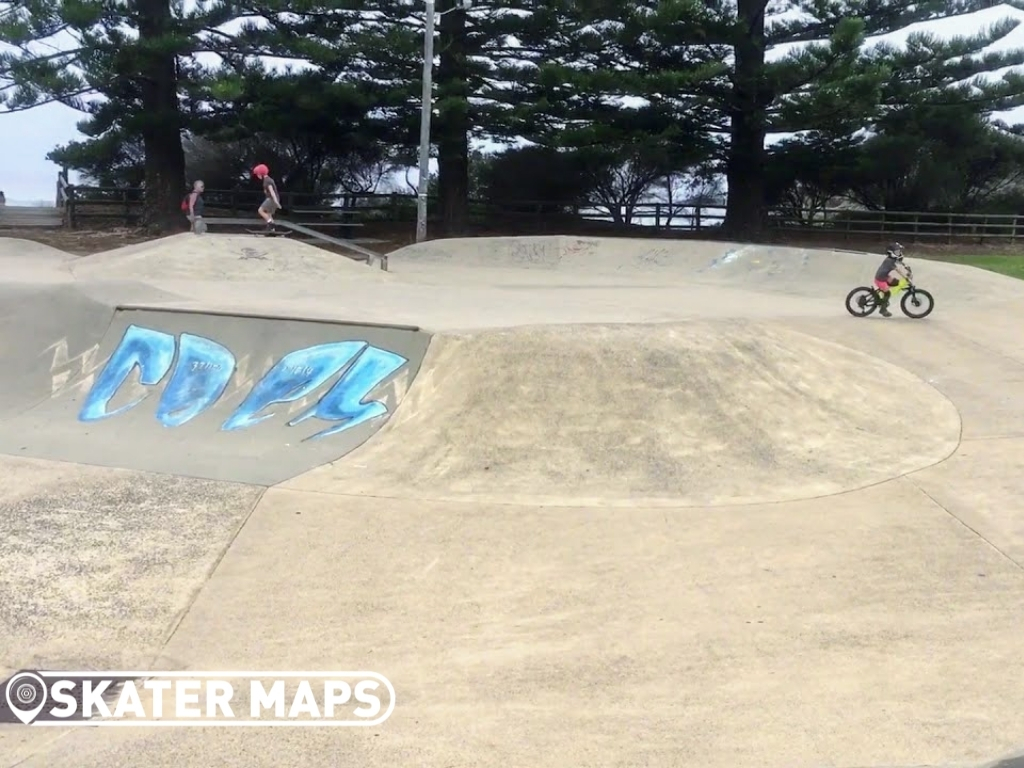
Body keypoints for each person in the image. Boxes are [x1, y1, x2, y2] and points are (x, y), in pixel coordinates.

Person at [873, 242, 912, 317]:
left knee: (895, 282)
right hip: (880, 279)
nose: (899, 253)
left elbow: (899, 262)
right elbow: (898, 270)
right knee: (888, 293)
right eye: (897, 252)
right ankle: (883, 309)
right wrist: (906, 277)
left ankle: (883, 295)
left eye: (899, 252)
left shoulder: (891, 259)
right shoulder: (889, 261)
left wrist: (906, 266)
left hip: (884, 276)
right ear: (891, 253)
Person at [252, 164, 281, 231]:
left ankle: (270, 223)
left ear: (260, 173)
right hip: (273, 199)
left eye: (257, 174)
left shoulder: (267, 181)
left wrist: (276, 202)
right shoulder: (268, 180)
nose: (257, 176)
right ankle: (272, 230)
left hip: (271, 199)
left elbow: (272, 192)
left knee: (260, 210)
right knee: (269, 214)